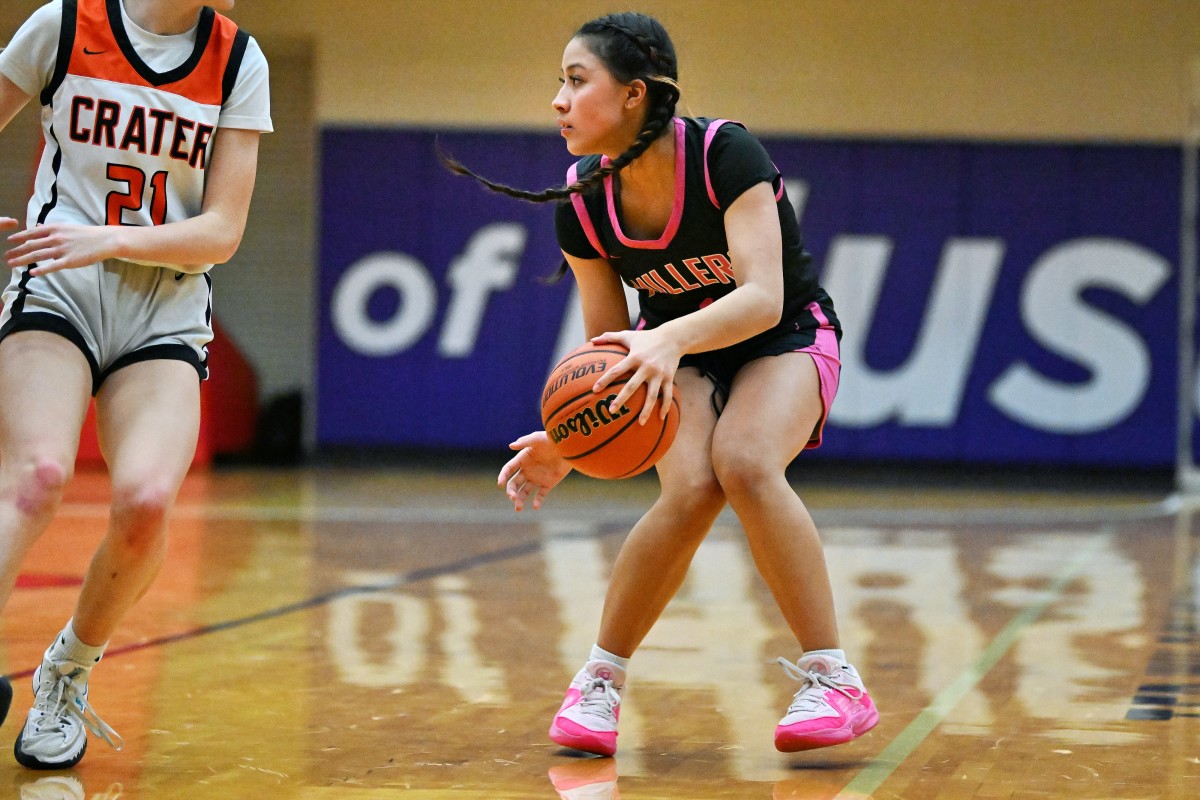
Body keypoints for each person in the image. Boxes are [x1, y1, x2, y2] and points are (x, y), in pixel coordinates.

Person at [443, 11, 877, 757]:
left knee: (742, 460)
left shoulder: (724, 153)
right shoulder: (583, 198)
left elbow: (763, 295)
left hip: (786, 335)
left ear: (634, 94)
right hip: (683, 353)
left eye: (577, 81)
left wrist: (667, 338)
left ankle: (834, 677)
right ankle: (599, 685)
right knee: (690, 491)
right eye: (560, 82)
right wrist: (571, 440)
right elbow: (606, 349)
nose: (558, 100)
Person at [0, 0, 271, 769]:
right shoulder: (63, 23)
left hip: (165, 308)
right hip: (57, 288)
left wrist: (109, 237)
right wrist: (79, 245)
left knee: (148, 500)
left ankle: (67, 671)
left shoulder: (236, 59)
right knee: (38, 476)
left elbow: (222, 230)